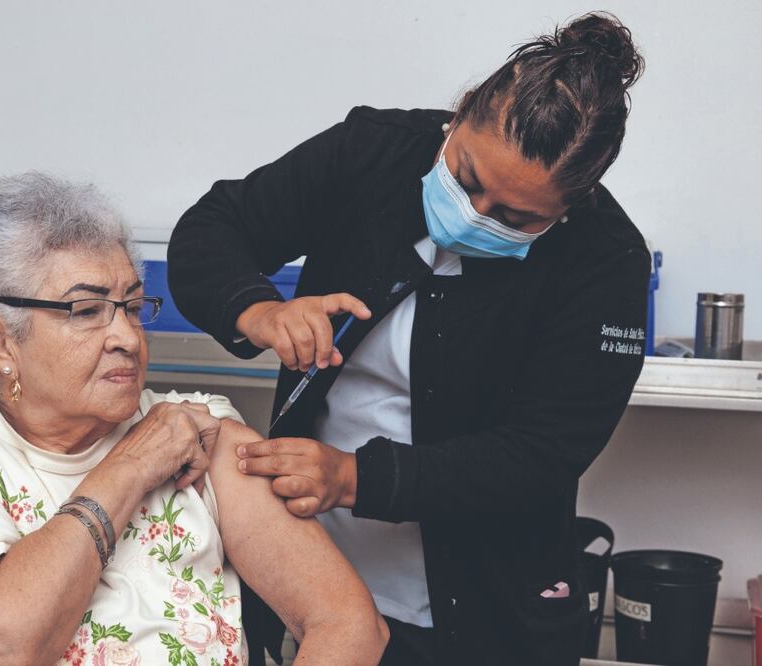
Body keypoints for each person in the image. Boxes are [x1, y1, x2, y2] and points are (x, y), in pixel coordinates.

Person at [167, 12, 649, 666]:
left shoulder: (604, 260)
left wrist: (357, 478)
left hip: (491, 616)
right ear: (460, 114)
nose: (473, 216)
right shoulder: (373, 152)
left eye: (514, 218)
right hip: (315, 588)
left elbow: (537, 456)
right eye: (466, 178)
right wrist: (258, 311)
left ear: (571, 205)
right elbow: (212, 229)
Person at [0, 172, 388, 666]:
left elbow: (348, 622)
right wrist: (134, 464)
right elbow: (2, 648)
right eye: (86, 310)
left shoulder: (197, 428)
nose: (126, 336)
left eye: (133, 307)